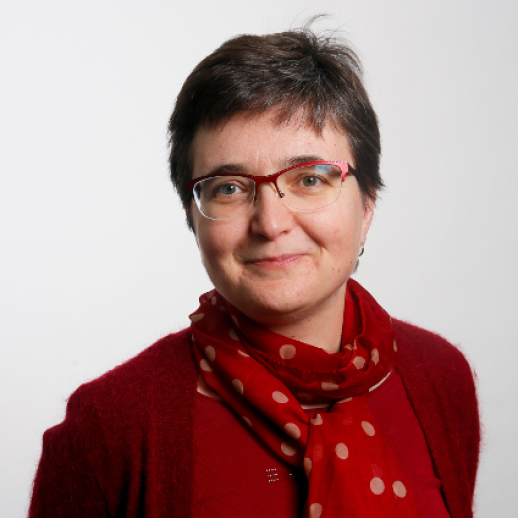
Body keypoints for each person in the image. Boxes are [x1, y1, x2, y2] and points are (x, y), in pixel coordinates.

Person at [29, 26, 480, 518]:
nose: (270, 222)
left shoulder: (439, 377)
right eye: (228, 188)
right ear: (192, 218)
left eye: (310, 179)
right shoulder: (108, 427)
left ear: (367, 203)